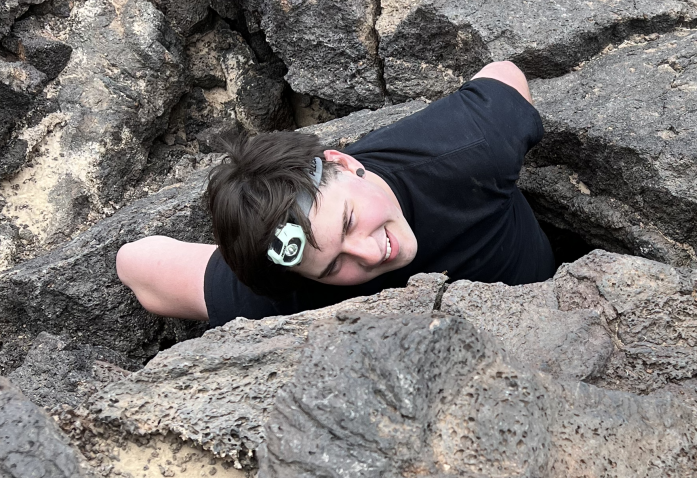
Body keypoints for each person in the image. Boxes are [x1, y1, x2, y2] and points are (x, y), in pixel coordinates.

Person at [116, 61, 555, 328]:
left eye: (347, 221)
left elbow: (504, 76)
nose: (368, 253)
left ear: (344, 163)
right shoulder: (290, 283)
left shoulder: (465, 149)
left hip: (555, 302)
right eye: (333, 265)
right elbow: (136, 266)